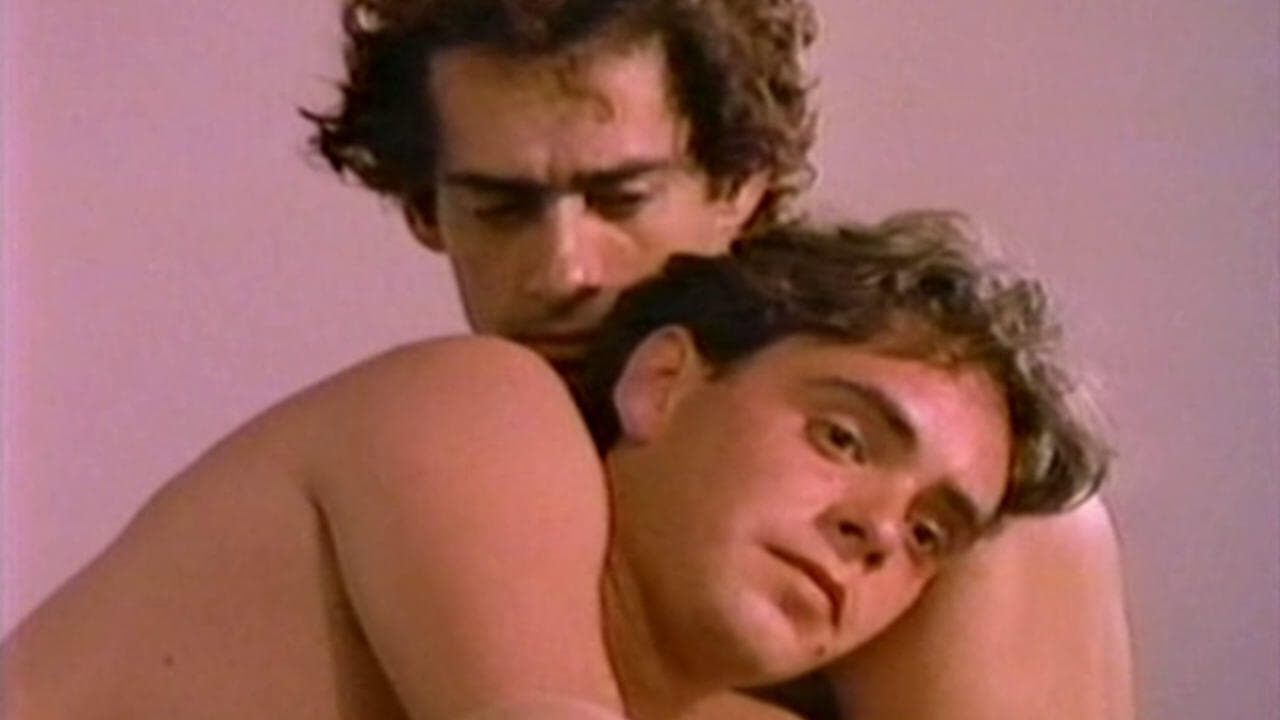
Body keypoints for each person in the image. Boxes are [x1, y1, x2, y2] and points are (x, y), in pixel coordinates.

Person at [305, 1, 1134, 717]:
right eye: (501, 208)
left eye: (622, 199)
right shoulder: (433, 436)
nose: (565, 270)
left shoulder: (961, 494)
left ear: (741, 185)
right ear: (425, 210)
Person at [1, 213, 1109, 720]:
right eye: (842, 438)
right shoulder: (480, 405)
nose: (875, 528)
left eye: (927, 533)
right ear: (662, 383)